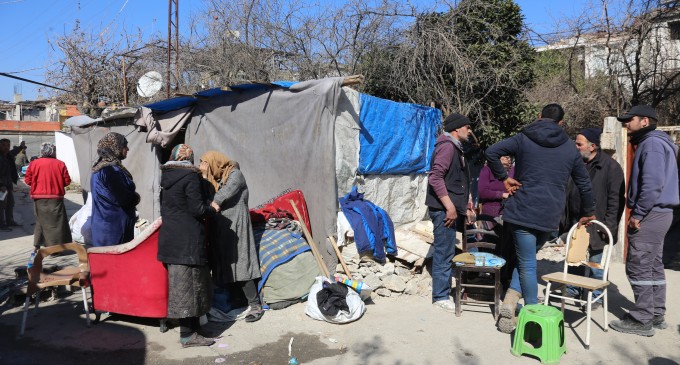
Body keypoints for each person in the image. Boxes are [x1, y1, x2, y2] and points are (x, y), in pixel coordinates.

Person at [485, 103, 595, 333]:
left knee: (526, 263)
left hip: (523, 209)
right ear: (561, 123)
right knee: (528, 260)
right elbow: (584, 184)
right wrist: (588, 212)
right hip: (550, 214)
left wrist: (504, 177)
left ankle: (532, 314)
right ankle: (510, 303)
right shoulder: (569, 148)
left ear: (538, 117)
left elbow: (492, 152)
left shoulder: (523, 138)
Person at [609, 105, 679, 336]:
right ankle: (656, 314)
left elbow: (652, 184)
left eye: (631, 120)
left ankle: (642, 319)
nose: (626, 124)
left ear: (645, 121)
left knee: (638, 266)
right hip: (660, 213)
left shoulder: (652, 145)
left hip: (651, 214)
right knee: (653, 265)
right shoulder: (660, 143)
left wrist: (638, 214)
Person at [158, 144, 217, 348]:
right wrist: (212, 208)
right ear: (189, 158)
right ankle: (187, 335)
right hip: (188, 240)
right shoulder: (191, 177)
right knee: (190, 287)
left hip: (171, 239)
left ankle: (193, 330)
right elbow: (197, 208)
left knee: (183, 287)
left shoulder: (167, 178)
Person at [561, 128, 625, 310]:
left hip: (599, 224)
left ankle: (595, 296)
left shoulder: (611, 168)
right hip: (577, 222)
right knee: (575, 259)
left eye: (579, 144)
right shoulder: (577, 164)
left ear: (593, 146)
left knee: (596, 264)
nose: (576, 146)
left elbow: (616, 200)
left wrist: (609, 227)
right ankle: (573, 288)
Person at [200, 151, 264, 322]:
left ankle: (255, 305)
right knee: (225, 266)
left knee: (242, 265)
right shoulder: (220, 179)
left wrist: (206, 180)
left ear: (216, 162)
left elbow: (218, 197)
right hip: (222, 229)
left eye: (207, 164)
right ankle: (235, 302)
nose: (205, 167)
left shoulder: (236, 175)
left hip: (238, 227)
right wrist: (206, 179)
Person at [424, 113, 476, 312]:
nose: (469, 131)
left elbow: (456, 179)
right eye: (467, 127)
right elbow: (435, 177)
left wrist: (467, 203)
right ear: (457, 129)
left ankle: (447, 290)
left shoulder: (454, 146)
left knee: (447, 250)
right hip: (444, 210)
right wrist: (450, 207)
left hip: (451, 208)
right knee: (444, 251)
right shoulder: (447, 147)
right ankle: (440, 296)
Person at [90, 132, 139, 247]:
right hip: (114, 229)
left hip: (104, 225)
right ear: (115, 147)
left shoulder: (99, 168)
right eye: (124, 146)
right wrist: (135, 197)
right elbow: (123, 198)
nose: (128, 149)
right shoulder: (111, 171)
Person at [24, 143, 73, 248]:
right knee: (57, 224)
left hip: (39, 198)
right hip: (56, 198)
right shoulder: (60, 164)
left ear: (42, 151)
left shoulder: (34, 164)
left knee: (41, 221)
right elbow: (67, 181)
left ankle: (37, 244)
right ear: (53, 151)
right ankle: (56, 248)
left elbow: (28, 180)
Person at [478, 156, 515, 221]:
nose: (508, 158)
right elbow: (482, 192)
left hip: (511, 214)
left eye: (509, 157)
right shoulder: (487, 169)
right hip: (491, 215)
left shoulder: (514, 171)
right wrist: (502, 195)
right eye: (505, 156)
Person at [0, 138, 19, 231]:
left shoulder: (7, 155)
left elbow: (13, 152)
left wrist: (21, 147)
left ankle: (10, 221)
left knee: (10, 204)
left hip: (8, 185)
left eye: (8, 145)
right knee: (1, 205)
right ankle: (1, 224)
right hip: (1, 186)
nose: (6, 147)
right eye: (3, 145)